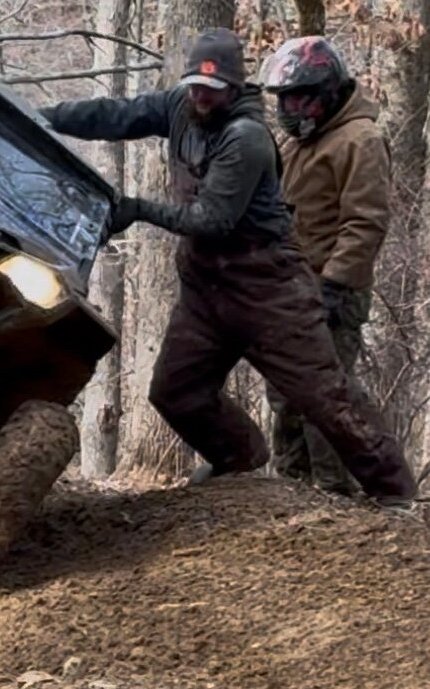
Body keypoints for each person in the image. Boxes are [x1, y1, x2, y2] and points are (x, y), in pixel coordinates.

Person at [38, 27, 415, 508]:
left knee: (325, 397)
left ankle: (393, 493)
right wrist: (43, 120)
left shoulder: (249, 138)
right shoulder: (181, 105)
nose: (200, 96)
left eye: (211, 90)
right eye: (194, 84)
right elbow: (119, 114)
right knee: (175, 391)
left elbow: (212, 220)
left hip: (270, 292)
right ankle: (238, 455)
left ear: (234, 90)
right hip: (205, 291)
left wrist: (136, 208)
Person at [260, 37, 389, 497]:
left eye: (300, 98)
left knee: (324, 397)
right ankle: (290, 488)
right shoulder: (297, 141)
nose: (291, 109)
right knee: (286, 394)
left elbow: (366, 222)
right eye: (284, 100)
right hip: (289, 288)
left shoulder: (360, 140)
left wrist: (334, 286)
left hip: (333, 290)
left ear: (328, 92)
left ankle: (333, 497)